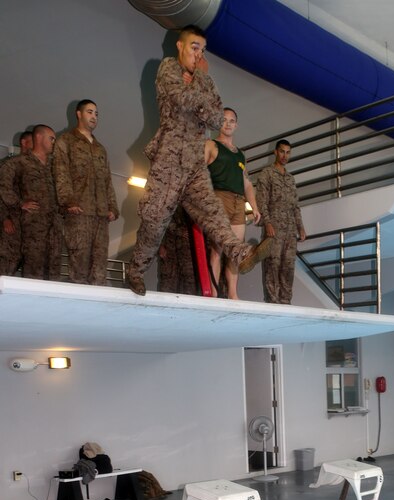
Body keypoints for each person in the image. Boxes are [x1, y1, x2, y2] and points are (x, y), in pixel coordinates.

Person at [126, 25, 270, 297]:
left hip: (194, 162)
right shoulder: (167, 68)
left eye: (202, 50)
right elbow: (181, 98)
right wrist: (202, 90)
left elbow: (217, 118)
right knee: (154, 222)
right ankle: (135, 270)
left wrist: (202, 91)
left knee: (213, 214)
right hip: (170, 158)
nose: (198, 55)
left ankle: (241, 254)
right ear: (180, 46)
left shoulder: (205, 80)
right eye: (194, 48)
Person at [53, 99, 118, 285]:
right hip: (78, 214)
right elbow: (61, 173)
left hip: (100, 217)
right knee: (79, 268)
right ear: (78, 114)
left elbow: (107, 180)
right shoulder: (65, 141)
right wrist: (68, 201)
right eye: (90, 112)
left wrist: (112, 206)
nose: (94, 117)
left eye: (96, 113)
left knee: (99, 270)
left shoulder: (100, 149)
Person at [204, 107, 260, 299]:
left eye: (231, 120)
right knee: (217, 249)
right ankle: (212, 293)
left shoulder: (240, 154)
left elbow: (247, 183)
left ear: (236, 125)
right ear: (218, 122)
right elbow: (198, 173)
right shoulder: (211, 144)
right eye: (224, 120)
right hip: (219, 199)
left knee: (235, 250)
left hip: (238, 202)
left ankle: (233, 294)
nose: (227, 123)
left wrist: (254, 206)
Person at [0, 125, 62, 280]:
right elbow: (3, 185)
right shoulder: (18, 162)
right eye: (51, 138)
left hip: (54, 227)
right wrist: (18, 203)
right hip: (32, 228)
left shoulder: (54, 166)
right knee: (32, 270)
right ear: (39, 137)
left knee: (53, 271)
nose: (54, 142)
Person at [255, 139, 306, 305]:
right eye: (282, 151)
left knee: (288, 267)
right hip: (274, 230)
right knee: (272, 265)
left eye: (288, 152)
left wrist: (301, 227)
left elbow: (295, 206)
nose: (285, 155)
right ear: (275, 152)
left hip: (290, 232)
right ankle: (273, 302)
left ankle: (286, 302)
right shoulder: (266, 174)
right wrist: (267, 223)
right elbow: (261, 201)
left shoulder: (290, 179)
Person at [0, 131, 33, 276]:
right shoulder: (10, 165)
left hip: (24, 228)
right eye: (34, 142)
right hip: (9, 223)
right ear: (24, 143)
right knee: (6, 260)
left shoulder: (34, 170)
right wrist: (4, 218)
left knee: (16, 262)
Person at [157, 206, 197, 294]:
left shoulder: (193, 200)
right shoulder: (168, 200)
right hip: (170, 247)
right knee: (168, 282)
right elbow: (160, 222)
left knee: (189, 283)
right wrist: (160, 245)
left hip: (188, 250)